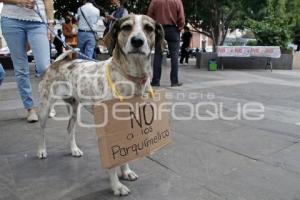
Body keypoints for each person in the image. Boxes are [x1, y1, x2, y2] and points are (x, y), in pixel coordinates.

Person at [0, 0, 54, 122]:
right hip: (11, 19)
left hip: (38, 21)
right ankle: (30, 108)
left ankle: (47, 102)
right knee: (20, 68)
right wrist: (18, 1)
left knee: (44, 67)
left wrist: (51, 23)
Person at [148, 0, 185, 87]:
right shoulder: (177, 1)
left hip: (159, 30)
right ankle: (174, 82)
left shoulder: (155, 1)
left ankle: (155, 81)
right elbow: (181, 18)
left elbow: (149, 16)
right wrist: (180, 27)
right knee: (174, 56)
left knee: (158, 55)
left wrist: (154, 27)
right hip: (173, 30)